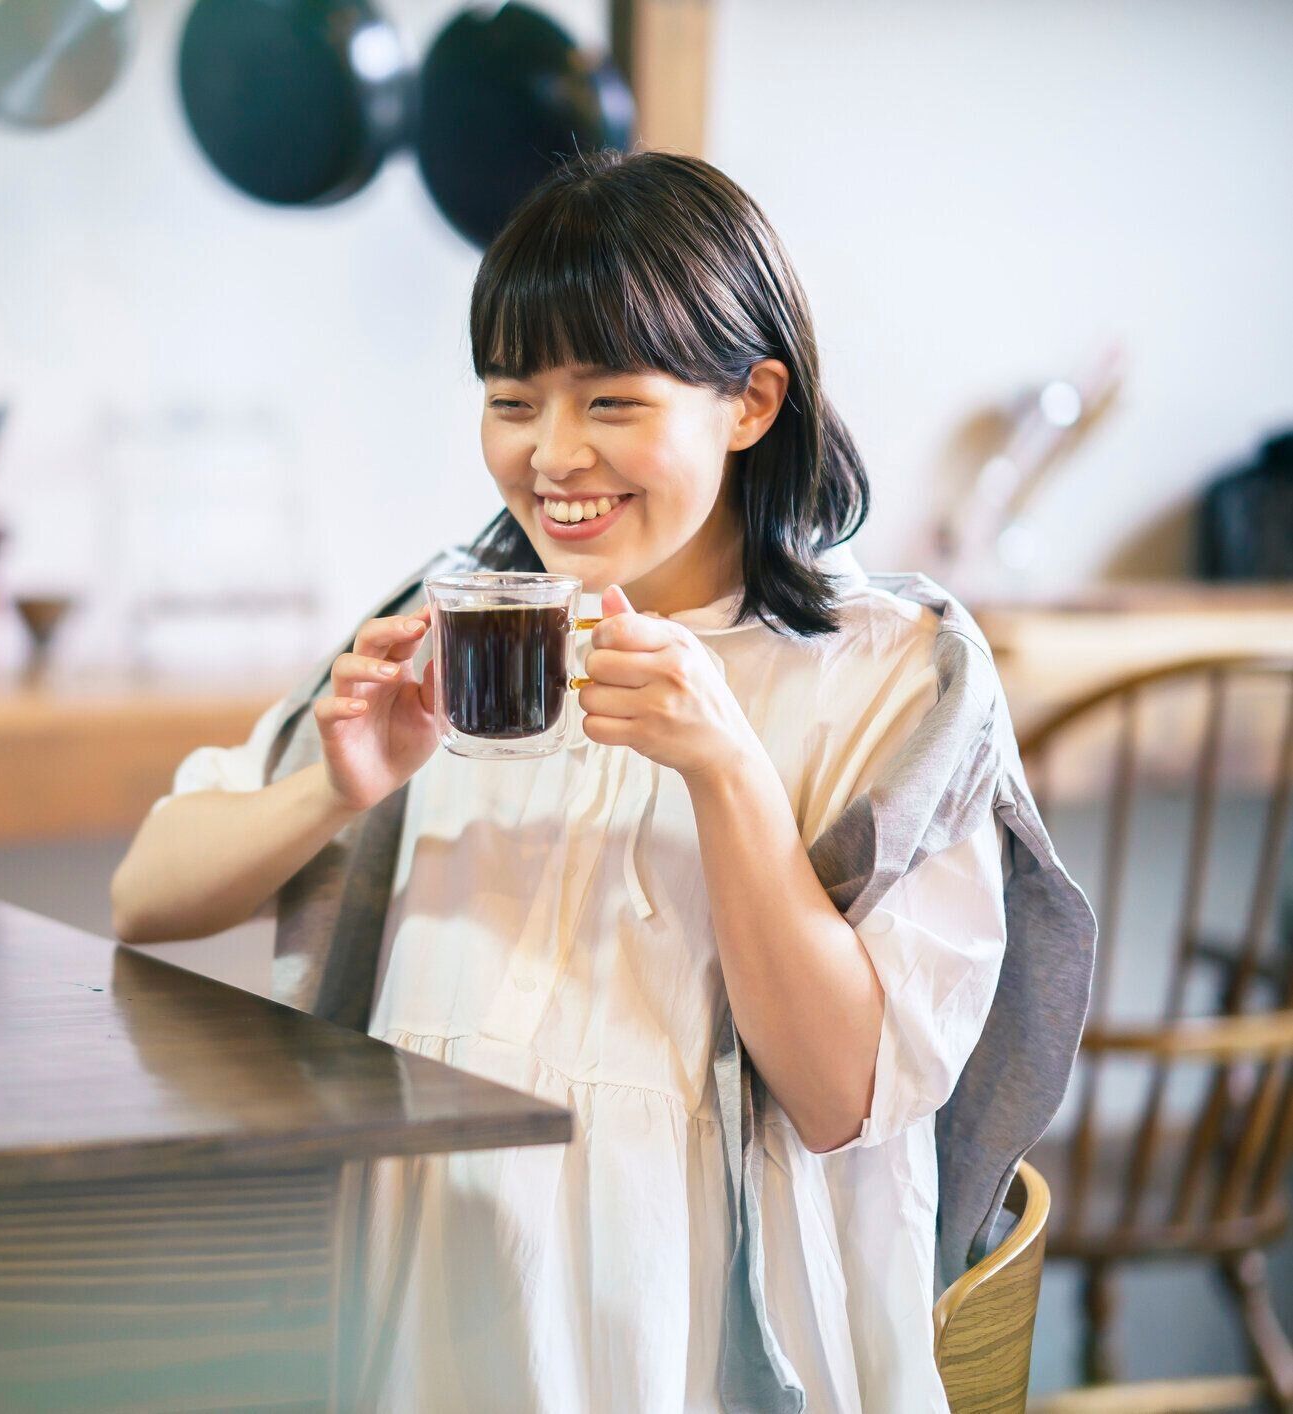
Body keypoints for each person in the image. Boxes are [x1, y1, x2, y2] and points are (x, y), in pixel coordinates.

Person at [111, 150, 1025, 1412]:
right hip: (426, 1271)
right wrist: (337, 786)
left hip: (693, 1315)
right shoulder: (453, 624)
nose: (551, 456)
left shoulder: (895, 673)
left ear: (751, 401)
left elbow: (837, 1095)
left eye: (609, 402)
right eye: (510, 399)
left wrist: (727, 770)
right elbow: (143, 894)